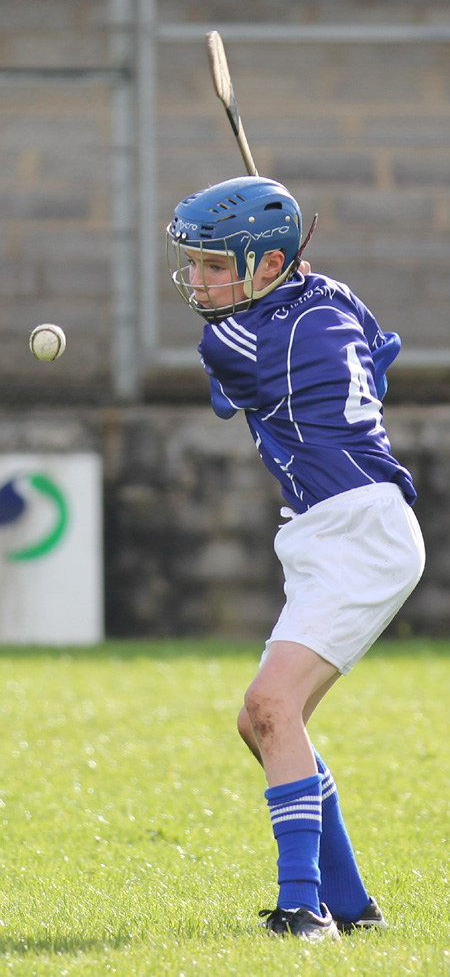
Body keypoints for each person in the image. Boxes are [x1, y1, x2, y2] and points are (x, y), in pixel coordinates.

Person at [166, 176, 425, 942]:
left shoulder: (237, 340)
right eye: (199, 264)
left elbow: (230, 372)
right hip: (336, 528)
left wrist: (271, 303)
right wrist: (289, 290)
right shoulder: (336, 297)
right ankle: (352, 905)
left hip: (356, 532)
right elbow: (377, 358)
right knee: (264, 725)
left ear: (269, 262)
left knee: (273, 708)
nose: (201, 281)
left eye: (218, 266)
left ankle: (303, 911)